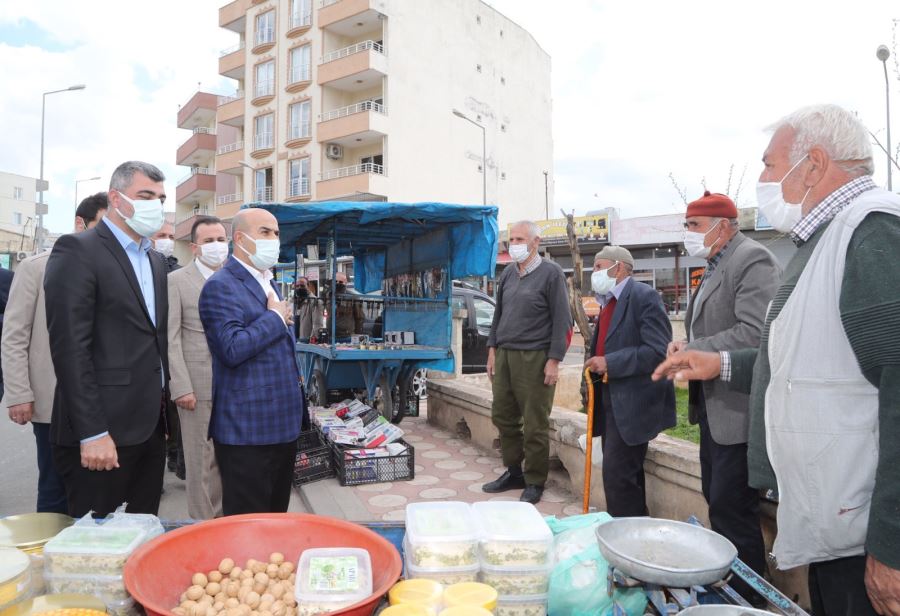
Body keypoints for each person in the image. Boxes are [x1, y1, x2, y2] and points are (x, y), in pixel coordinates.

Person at [653, 104, 900, 616]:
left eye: (769, 165)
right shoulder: (827, 240)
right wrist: (716, 365)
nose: (763, 180)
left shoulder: (872, 233)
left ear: (811, 165)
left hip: (866, 532)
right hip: (839, 523)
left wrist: (893, 542)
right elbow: (799, 363)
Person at [44, 161, 170, 517]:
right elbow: (70, 349)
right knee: (96, 551)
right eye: (145, 195)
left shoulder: (156, 261)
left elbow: (154, 343)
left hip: (149, 429)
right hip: (102, 435)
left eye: (160, 198)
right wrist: (93, 432)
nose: (155, 206)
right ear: (116, 198)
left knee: (142, 536)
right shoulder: (78, 251)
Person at [673, 190, 781, 601]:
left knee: (734, 511)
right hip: (714, 411)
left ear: (723, 226)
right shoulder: (715, 264)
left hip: (739, 412)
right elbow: (708, 329)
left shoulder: (750, 259)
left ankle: (750, 599)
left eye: (694, 226)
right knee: (719, 505)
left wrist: (695, 349)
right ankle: (730, 590)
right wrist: (685, 345)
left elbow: (756, 332)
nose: (687, 234)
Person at [2, 193, 108, 514]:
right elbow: (15, 334)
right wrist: (19, 393)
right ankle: (50, 555)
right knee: (55, 487)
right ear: (81, 223)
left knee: (98, 489)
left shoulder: (113, 269)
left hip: (103, 399)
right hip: (52, 401)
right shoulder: (37, 268)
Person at [199, 207, 304, 515]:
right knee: (247, 526)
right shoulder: (221, 285)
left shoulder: (268, 282)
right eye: (265, 232)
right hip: (248, 431)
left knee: (274, 519)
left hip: (282, 426)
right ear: (240, 239)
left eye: (276, 233)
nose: (274, 240)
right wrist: (274, 317)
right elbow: (231, 349)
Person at [483, 220, 570, 504]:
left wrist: (554, 360)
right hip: (506, 354)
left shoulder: (551, 274)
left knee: (534, 422)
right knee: (503, 416)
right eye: (511, 240)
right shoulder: (508, 273)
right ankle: (513, 471)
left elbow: (562, 321)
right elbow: (498, 316)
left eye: (520, 239)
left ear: (535, 242)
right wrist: (492, 349)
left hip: (535, 357)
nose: (514, 245)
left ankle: (534, 480)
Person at [584, 246, 675, 517]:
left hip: (634, 403)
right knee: (621, 477)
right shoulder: (608, 301)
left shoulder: (644, 297)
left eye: (599, 267)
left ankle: (626, 539)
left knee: (619, 477)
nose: (595, 273)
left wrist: (610, 362)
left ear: (619, 267)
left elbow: (657, 351)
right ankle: (634, 533)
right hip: (610, 398)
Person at [167, 216, 228, 520]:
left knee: (222, 459)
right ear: (194, 247)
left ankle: (219, 520)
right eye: (209, 241)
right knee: (199, 460)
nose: (217, 246)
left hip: (232, 385)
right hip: (197, 384)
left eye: (221, 239)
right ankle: (202, 525)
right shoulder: (177, 281)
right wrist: (181, 386)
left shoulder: (232, 277)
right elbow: (171, 337)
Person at [151, 218, 183, 479]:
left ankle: (174, 454)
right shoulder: (144, 267)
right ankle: (154, 464)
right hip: (149, 353)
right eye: (162, 235)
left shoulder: (178, 270)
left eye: (171, 236)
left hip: (172, 352)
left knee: (174, 410)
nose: (167, 240)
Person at [325, 271, 363, 339]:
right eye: (336, 281)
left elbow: (359, 317)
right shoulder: (329, 295)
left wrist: (356, 335)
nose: (337, 283)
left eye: (340, 282)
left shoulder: (352, 297)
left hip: (346, 336)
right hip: (331, 335)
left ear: (345, 283)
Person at [294, 276, 323, 340]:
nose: (299, 288)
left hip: (306, 341)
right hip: (294, 340)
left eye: (302, 286)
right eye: (297, 286)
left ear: (308, 286)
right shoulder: (293, 301)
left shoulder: (316, 302)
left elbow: (317, 325)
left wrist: (312, 340)